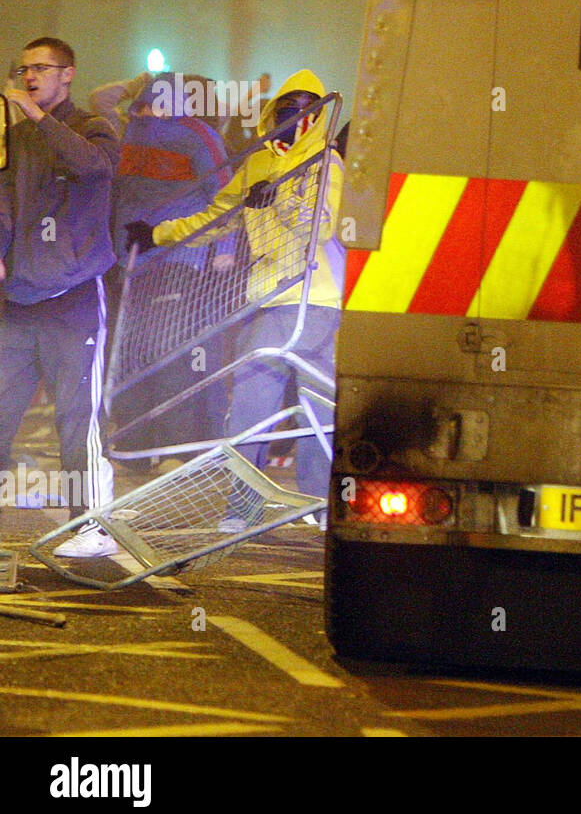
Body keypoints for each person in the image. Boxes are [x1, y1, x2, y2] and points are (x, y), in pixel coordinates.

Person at [129, 71, 342, 527]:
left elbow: (319, 228)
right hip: (264, 301)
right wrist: (158, 234)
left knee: (318, 411)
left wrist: (279, 197)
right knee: (249, 411)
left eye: (307, 106)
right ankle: (241, 507)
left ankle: (321, 505)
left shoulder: (327, 164)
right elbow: (217, 216)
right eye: (289, 105)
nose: (297, 115)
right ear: (274, 112)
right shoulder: (258, 164)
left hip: (316, 303)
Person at [0, 38, 121, 557]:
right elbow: (5, 198)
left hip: (72, 297)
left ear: (67, 74)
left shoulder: (90, 128)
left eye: (41, 69)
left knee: (76, 416)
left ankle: (91, 524)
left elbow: (95, 170)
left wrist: (36, 117)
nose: (30, 77)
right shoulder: (17, 137)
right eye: (23, 69)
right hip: (18, 298)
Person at [108, 73, 234, 454]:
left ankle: (175, 447)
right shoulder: (130, 130)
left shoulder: (197, 135)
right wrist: (136, 82)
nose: (152, 108)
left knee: (168, 354)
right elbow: (103, 98)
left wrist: (224, 247)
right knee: (130, 353)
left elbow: (224, 192)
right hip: (127, 264)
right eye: (147, 100)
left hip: (177, 259)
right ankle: (135, 445)